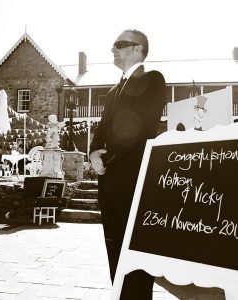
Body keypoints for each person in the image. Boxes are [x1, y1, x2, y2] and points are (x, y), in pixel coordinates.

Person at [90, 29, 166, 299]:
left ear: (138, 49)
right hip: (108, 184)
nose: (113, 48)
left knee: (136, 254)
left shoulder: (152, 80)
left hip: (133, 182)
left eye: (120, 44)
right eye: (113, 44)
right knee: (115, 251)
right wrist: (92, 154)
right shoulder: (111, 92)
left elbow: (139, 128)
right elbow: (100, 132)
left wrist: (106, 157)